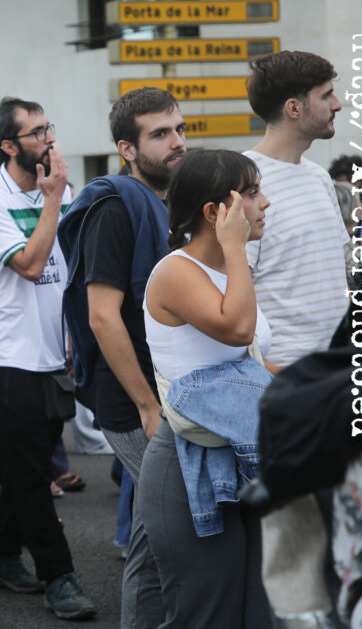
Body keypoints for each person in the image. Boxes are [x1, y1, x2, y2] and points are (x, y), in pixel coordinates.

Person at [57, 86, 186, 628]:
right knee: (167, 528)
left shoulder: (166, 203)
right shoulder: (116, 208)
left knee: (152, 528)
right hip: (133, 397)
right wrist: (147, 406)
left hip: (165, 388)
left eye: (180, 129)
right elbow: (104, 317)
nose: (177, 142)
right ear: (127, 148)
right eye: (160, 134)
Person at [0, 96, 95, 620]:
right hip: (7, 358)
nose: (48, 139)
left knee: (29, 466)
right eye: (36, 132)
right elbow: (31, 263)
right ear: (8, 145)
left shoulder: (62, 193)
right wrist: (52, 200)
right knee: (32, 475)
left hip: (53, 354)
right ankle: (58, 575)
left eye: (48, 128)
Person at [139, 149, 274, 627]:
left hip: (239, 451)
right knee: (208, 611)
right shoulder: (176, 271)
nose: (265, 204)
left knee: (256, 604)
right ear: (215, 213)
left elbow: (250, 360)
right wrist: (235, 247)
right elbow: (237, 329)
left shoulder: (230, 270)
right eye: (253, 194)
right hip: (188, 461)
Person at [243, 50, 349, 625]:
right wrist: (267, 377)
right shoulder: (243, 183)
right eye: (328, 94)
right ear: (293, 107)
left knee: (347, 547)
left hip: (340, 385)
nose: (338, 103)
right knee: (294, 567)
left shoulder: (314, 177)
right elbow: (231, 295)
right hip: (284, 396)